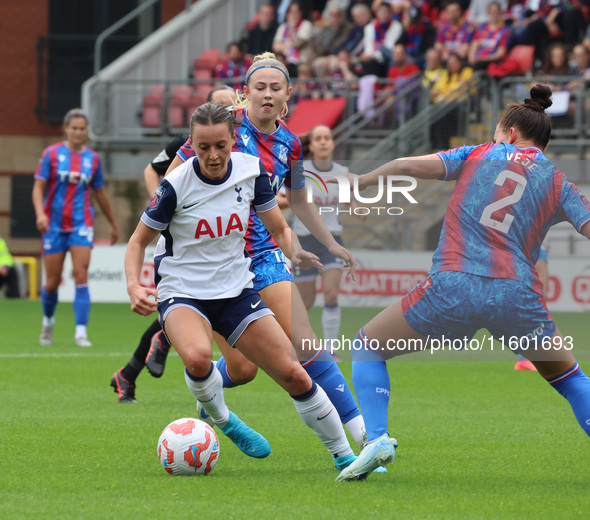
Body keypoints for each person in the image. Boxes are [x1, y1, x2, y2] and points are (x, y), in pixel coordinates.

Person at [336, 84, 590, 481]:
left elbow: (404, 166)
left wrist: (363, 181)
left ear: (508, 133)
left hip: (454, 287)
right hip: (516, 296)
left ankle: (378, 438)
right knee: (572, 380)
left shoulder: (477, 154)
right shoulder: (559, 182)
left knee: (368, 346)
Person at [125, 102, 357, 468]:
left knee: (294, 372)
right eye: (203, 147)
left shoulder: (252, 172)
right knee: (199, 357)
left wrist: (293, 251)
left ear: (234, 139)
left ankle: (347, 458)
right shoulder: (175, 185)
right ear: (192, 144)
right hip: (183, 290)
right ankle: (222, 419)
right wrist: (134, 286)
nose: (213, 155)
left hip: (236, 290)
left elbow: (279, 226)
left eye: (220, 145)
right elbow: (138, 241)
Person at [167, 53, 369, 453]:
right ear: (245, 93)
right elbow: (173, 181)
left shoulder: (290, 143)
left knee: (305, 344)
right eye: (259, 87)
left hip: (261, 253)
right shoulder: (225, 128)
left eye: (275, 88)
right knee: (243, 370)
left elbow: (300, 201)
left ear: (287, 95)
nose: (267, 94)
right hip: (215, 259)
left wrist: (329, 243)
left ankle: (366, 439)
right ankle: (210, 400)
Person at [111, 86, 237, 403]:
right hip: (181, 244)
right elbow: (154, 173)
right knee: (190, 312)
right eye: (219, 106)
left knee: (184, 316)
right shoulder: (183, 147)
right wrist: (162, 205)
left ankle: (128, 373)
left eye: (232, 107)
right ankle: (166, 351)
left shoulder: (245, 153)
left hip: (221, 244)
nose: (227, 111)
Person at [32, 108, 119, 348]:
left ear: (86, 131)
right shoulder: (51, 154)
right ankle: (48, 321)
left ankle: (81, 332)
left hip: (81, 224)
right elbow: (38, 187)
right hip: (54, 225)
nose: (78, 132)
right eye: (74, 128)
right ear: (65, 129)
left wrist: (112, 223)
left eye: (82, 128)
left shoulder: (92, 158)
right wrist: (40, 214)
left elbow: (99, 192)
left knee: (81, 275)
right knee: (51, 282)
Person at [292, 125, 359, 362]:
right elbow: (287, 198)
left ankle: (330, 349)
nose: (322, 142)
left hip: (332, 239)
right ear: (311, 145)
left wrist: (357, 208)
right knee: (305, 302)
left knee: (331, 294)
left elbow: (350, 202)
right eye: (317, 138)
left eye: (327, 138)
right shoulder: (300, 170)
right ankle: (288, 344)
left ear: (332, 144)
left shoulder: (342, 171)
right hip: (304, 239)